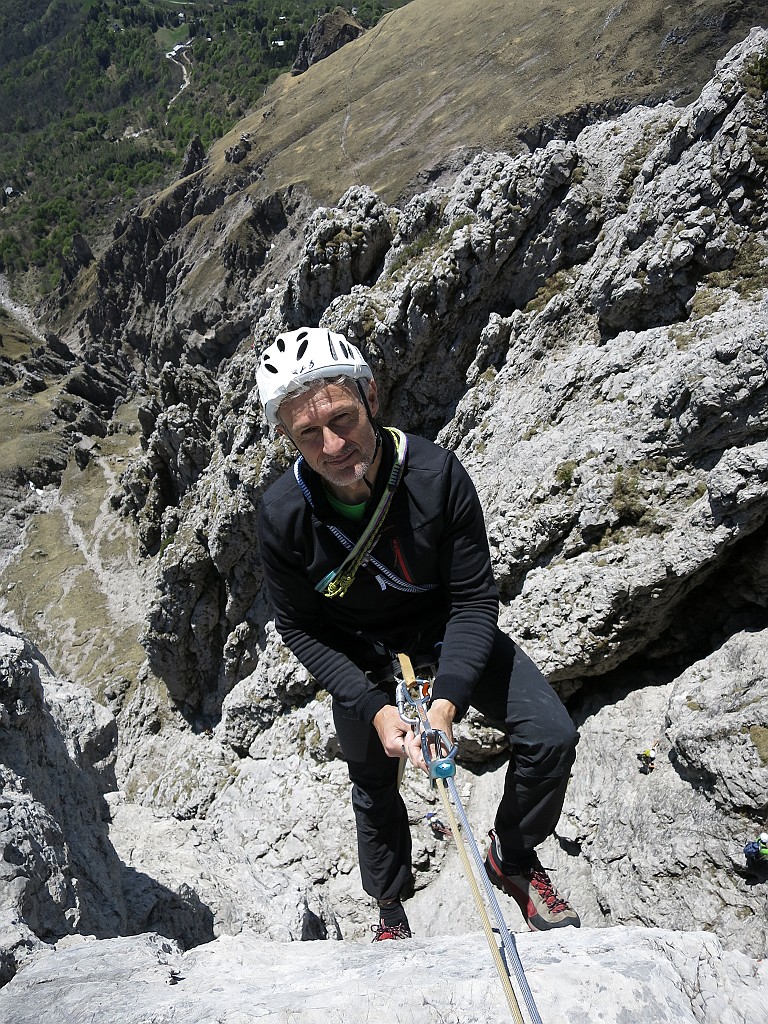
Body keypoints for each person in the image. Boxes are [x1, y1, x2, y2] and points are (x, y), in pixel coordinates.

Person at [256, 326, 580, 940]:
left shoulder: (435, 476)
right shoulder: (283, 515)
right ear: (286, 436)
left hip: (446, 628)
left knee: (550, 736)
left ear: (370, 397)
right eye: (307, 433)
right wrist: (377, 711)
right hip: (359, 651)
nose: (332, 445)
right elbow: (300, 628)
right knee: (374, 784)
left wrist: (447, 701)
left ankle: (511, 854)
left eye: (343, 418)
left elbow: (473, 600)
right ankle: (390, 905)